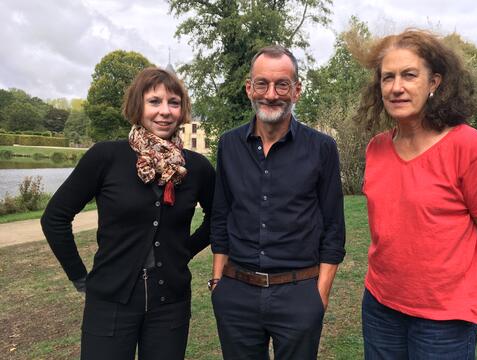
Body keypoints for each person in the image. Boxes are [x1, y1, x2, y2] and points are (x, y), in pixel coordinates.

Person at [41, 67, 215, 360]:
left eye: (174, 102)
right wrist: (80, 277)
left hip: (169, 302)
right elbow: (55, 217)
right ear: (138, 105)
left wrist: (184, 251)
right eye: (154, 101)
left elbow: (218, 218)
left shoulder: (195, 167)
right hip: (110, 302)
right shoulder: (106, 156)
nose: (165, 112)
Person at [358, 29, 477, 359]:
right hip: (380, 308)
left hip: (444, 323)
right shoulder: (377, 149)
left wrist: (456, 292)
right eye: (388, 78)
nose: (396, 87)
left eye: (409, 75)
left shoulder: (469, 147)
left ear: (435, 82)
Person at [209, 45, 346, 360]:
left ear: (296, 90)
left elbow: (334, 227)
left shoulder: (322, 148)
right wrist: (218, 283)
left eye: (281, 84)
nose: (271, 94)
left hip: (298, 292)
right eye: (262, 84)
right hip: (236, 291)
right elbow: (221, 215)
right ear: (249, 89)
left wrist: (319, 296)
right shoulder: (229, 144)